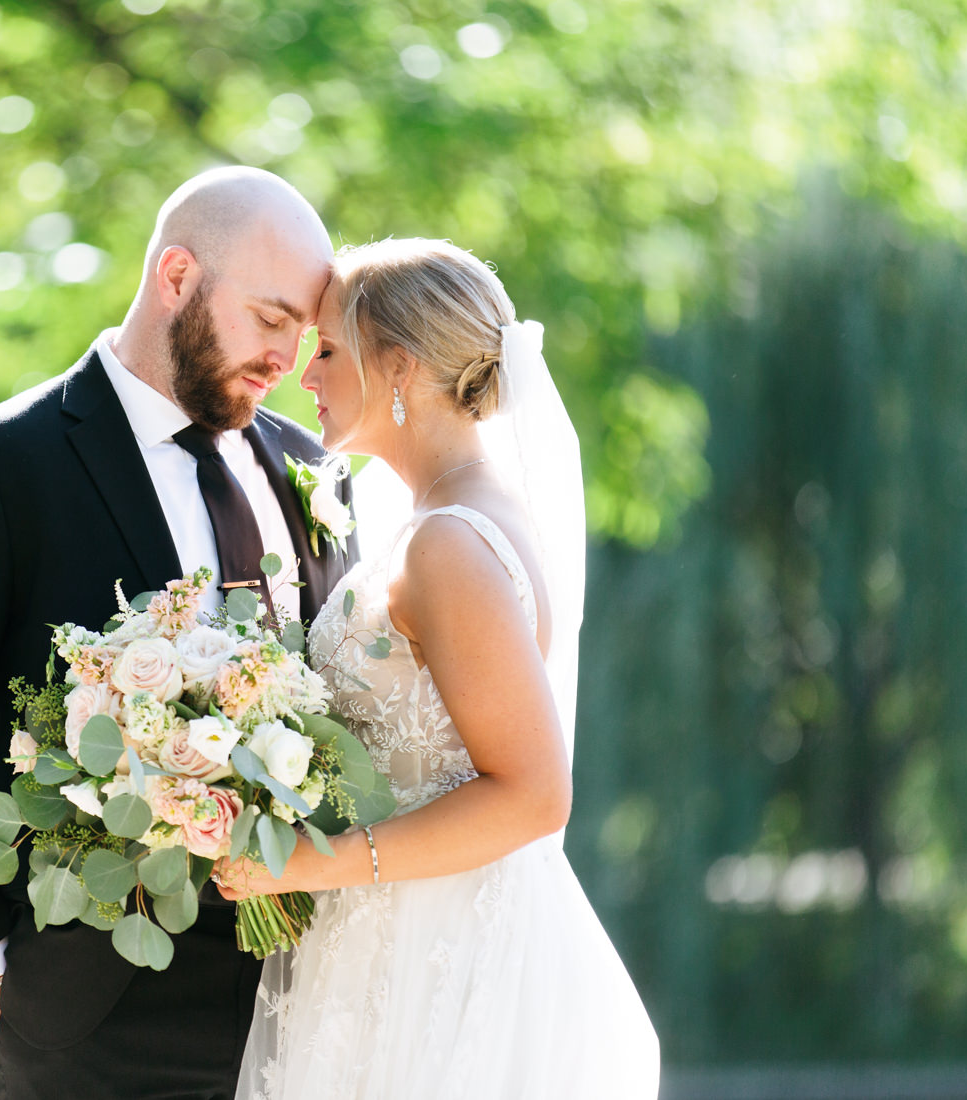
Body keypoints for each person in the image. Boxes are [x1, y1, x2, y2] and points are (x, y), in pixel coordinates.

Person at [0, 167, 356, 1099]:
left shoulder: (313, 468)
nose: (287, 356)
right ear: (176, 276)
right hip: (98, 1018)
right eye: (271, 319)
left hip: (318, 1004)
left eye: (305, 334)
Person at [217, 239, 661, 1097]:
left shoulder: (451, 542)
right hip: (393, 932)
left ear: (399, 366)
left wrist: (313, 864)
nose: (306, 376)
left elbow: (535, 793)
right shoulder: (440, 519)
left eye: (329, 351)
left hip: (442, 950)